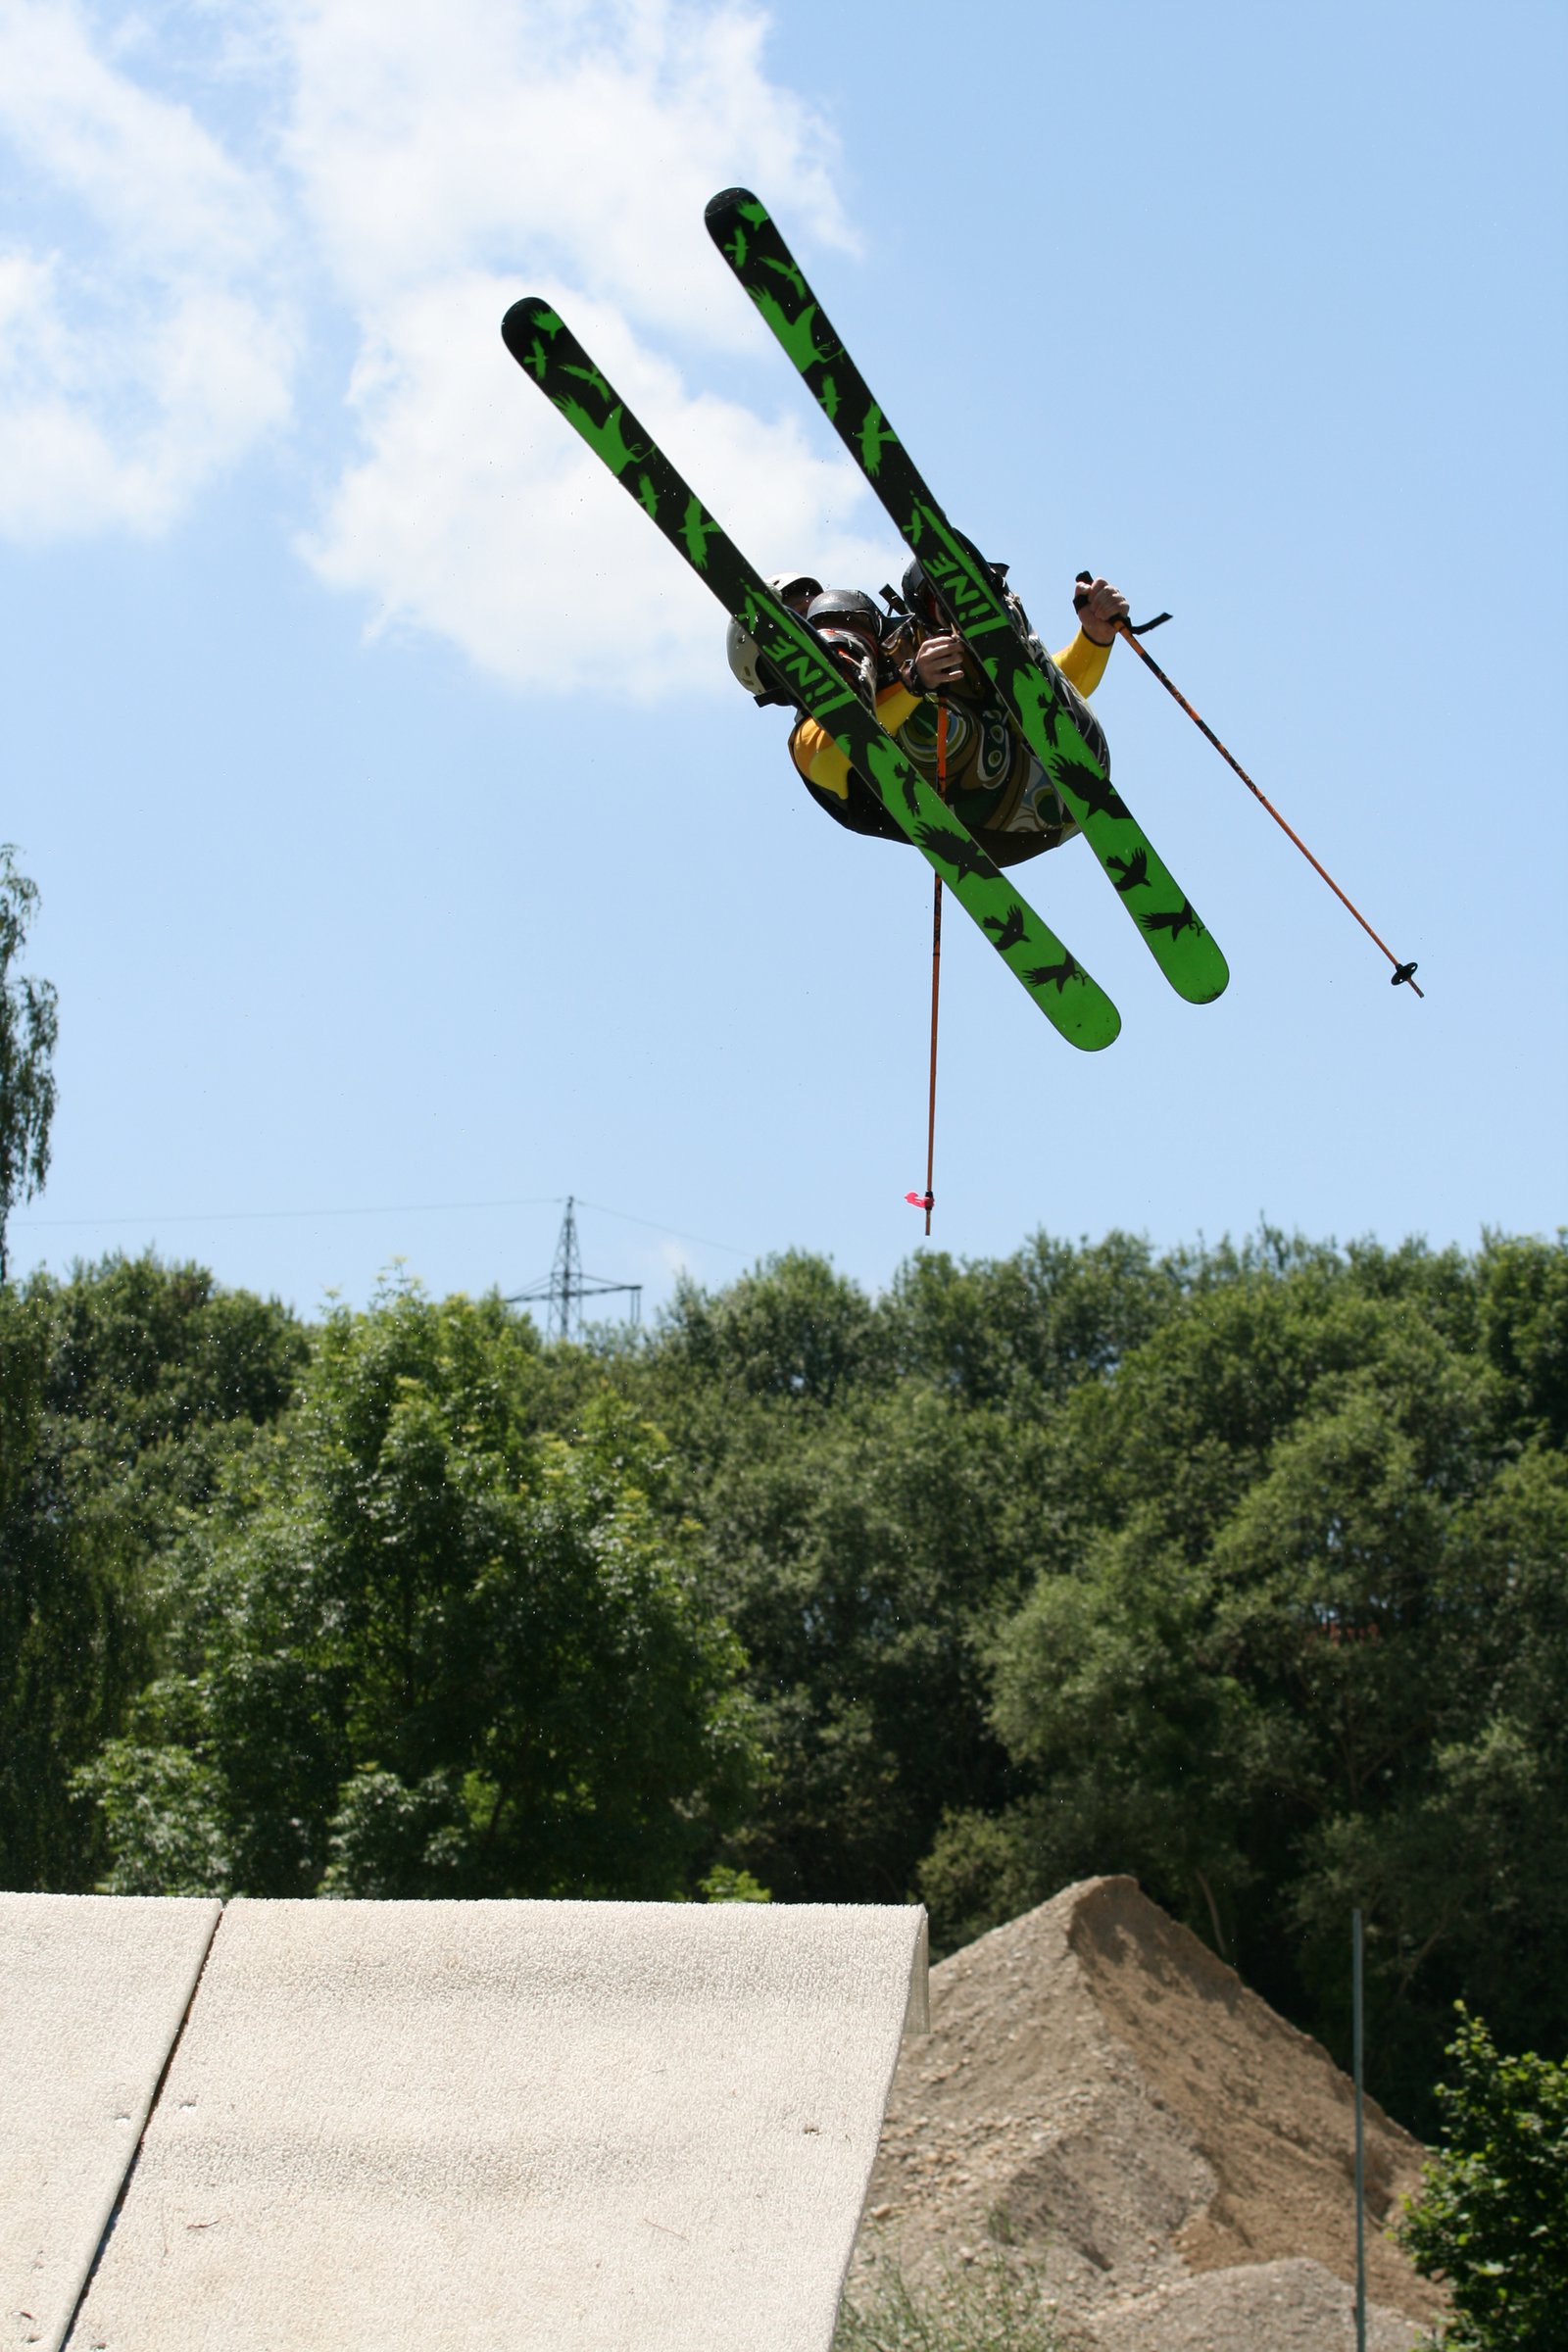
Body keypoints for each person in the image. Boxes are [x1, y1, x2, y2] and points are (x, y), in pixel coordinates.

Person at [785, 566, 1130, 865]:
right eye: (808, 620)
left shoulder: (910, 651)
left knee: (927, 583)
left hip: (1080, 756)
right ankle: (851, 675)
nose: (816, 618)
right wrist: (912, 684)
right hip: (996, 827)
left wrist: (1094, 639)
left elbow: (1030, 698)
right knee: (912, 703)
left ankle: (972, 606)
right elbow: (840, 744)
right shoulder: (808, 745)